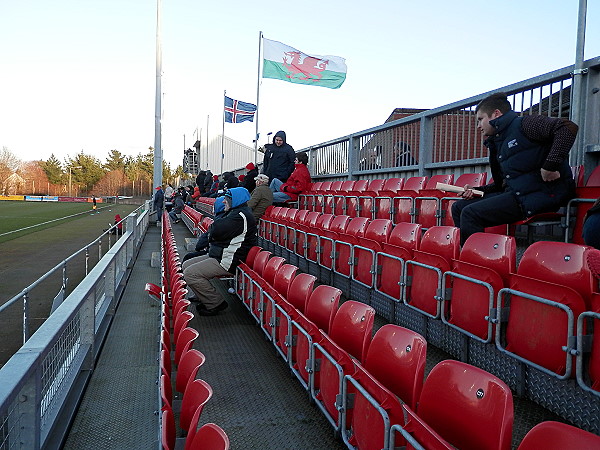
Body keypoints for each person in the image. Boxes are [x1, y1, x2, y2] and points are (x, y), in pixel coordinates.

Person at [451, 92, 577, 245]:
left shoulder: (525, 124)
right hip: (518, 194)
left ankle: (475, 261)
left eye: (480, 119)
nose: (478, 126)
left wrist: (549, 166)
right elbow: (502, 185)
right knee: (458, 207)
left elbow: (567, 128)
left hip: (543, 194)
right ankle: (472, 256)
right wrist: (477, 190)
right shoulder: (498, 141)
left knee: (471, 214)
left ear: (496, 114)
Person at [182, 187, 257, 315]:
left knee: (191, 273)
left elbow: (215, 229)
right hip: (221, 255)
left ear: (236, 200)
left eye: (227, 199)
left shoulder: (240, 216)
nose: (223, 202)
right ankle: (203, 296)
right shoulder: (236, 213)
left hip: (229, 260)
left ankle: (214, 303)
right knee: (186, 264)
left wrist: (213, 234)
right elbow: (215, 232)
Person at [182, 197, 226, 263]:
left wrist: (198, 247)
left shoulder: (220, 221)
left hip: (217, 256)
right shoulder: (225, 219)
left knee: (188, 261)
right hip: (218, 254)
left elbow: (207, 236)